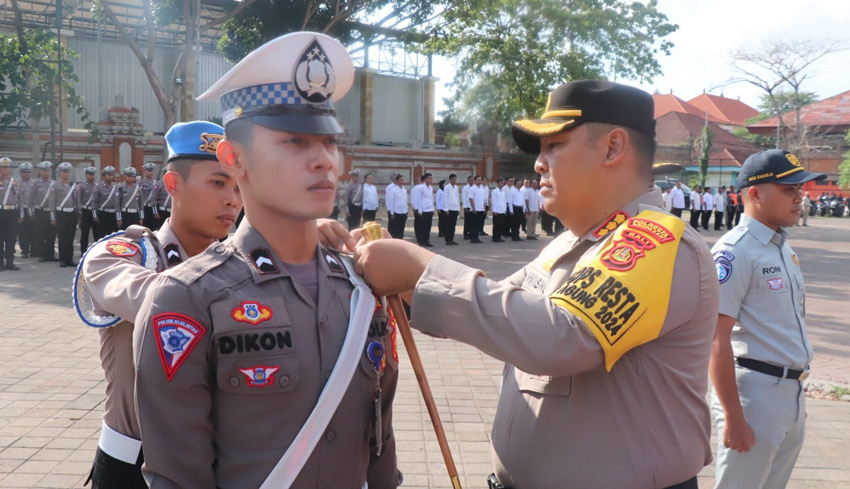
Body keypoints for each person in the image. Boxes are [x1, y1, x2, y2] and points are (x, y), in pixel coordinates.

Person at [355, 80, 718, 489]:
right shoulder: (573, 242)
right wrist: (397, 274)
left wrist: (419, 268)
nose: (538, 164)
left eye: (554, 146)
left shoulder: (656, 241)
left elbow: (559, 338)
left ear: (613, 148)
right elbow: (501, 309)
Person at [134, 32, 400, 489]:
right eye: (295, 141)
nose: (323, 161)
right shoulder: (185, 300)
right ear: (233, 157)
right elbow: (178, 476)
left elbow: (380, 448)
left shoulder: (362, 288)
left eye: (329, 142)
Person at [78, 120, 240, 489]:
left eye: (238, 185)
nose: (233, 199)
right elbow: (161, 302)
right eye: (217, 183)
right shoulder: (124, 256)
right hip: (134, 464)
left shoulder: (242, 266)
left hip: (223, 463)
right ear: (173, 184)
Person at [709, 149, 824, 489]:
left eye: (799, 189)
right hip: (755, 394)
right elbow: (716, 338)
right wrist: (733, 416)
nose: (799, 197)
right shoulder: (734, 251)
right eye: (788, 189)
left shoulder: (782, 249)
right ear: (755, 194)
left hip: (791, 392)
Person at [29, 161, 58, 262]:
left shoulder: (54, 183)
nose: (46, 172)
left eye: (48, 170)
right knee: (40, 234)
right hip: (39, 211)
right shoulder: (35, 183)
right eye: (44, 170)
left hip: (51, 212)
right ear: (40, 171)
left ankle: (50, 254)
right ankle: (42, 254)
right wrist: (30, 213)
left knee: (52, 234)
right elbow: (30, 199)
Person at [53, 162, 80, 267]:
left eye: (67, 171)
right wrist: (53, 216)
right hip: (60, 213)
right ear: (60, 173)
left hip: (71, 213)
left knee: (70, 238)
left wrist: (78, 213)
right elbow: (52, 202)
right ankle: (62, 259)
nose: (65, 174)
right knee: (62, 237)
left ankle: (70, 259)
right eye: (63, 172)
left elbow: (77, 201)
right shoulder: (55, 185)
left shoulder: (73, 186)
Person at [0, 157, 21, 271]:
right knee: (0, 238)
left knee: (11, 238)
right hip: (1, 212)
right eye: (3, 167)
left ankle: (10, 262)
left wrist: (20, 213)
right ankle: (0, 263)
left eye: (8, 167)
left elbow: (19, 198)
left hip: (12, 212)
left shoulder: (15, 181)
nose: (6, 169)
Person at [93, 166, 120, 240]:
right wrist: (95, 215)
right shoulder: (98, 187)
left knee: (113, 236)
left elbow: (119, 203)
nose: (110, 177)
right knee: (101, 236)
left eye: (112, 175)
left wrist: (119, 217)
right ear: (104, 176)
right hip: (103, 213)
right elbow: (94, 202)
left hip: (114, 214)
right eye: (108, 175)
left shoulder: (117, 187)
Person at [78, 167, 98, 252]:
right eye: (90, 174)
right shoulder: (81, 186)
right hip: (86, 211)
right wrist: (79, 213)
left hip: (96, 212)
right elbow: (79, 200)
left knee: (97, 233)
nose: (92, 176)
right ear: (86, 175)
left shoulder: (98, 186)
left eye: (93, 174)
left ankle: (96, 252)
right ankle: (83, 252)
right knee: (85, 233)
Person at [17, 162, 34, 259]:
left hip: (32, 209)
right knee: (22, 231)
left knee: (33, 230)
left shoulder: (35, 183)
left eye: (28, 172)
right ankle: (24, 250)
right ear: (20, 173)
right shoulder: (17, 183)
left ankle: (34, 249)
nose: (26, 174)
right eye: (24, 172)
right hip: (21, 209)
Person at [411, 172, 434, 247]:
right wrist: (419, 210)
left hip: (429, 209)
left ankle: (427, 240)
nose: (431, 180)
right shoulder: (420, 188)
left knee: (428, 226)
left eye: (431, 178)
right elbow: (418, 199)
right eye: (430, 178)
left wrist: (433, 209)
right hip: (423, 210)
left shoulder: (430, 188)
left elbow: (431, 198)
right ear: (426, 179)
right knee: (422, 227)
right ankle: (421, 241)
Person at [386, 174, 408, 239]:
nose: (402, 181)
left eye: (403, 180)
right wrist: (392, 213)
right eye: (401, 180)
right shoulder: (393, 190)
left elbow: (405, 201)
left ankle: (400, 239)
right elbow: (391, 202)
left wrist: (406, 210)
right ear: (397, 181)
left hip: (403, 211)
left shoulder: (404, 190)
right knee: (396, 228)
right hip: (396, 211)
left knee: (401, 228)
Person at [140, 162, 160, 231]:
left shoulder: (156, 182)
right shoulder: (140, 183)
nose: (150, 173)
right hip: (144, 207)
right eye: (148, 171)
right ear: (145, 171)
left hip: (153, 207)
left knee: (153, 228)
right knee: (143, 227)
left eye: (151, 171)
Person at [443, 173, 460, 245]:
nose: (454, 181)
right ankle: (448, 240)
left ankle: (451, 239)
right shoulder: (447, 187)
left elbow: (457, 198)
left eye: (455, 179)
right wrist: (446, 209)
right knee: (448, 225)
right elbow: (445, 198)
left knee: (453, 225)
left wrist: (458, 208)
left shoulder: (456, 187)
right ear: (450, 179)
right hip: (449, 209)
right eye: (453, 179)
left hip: (455, 208)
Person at [489, 178, 508, 242]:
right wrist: (494, 211)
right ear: (498, 183)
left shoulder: (503, 191)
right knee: (496, 225)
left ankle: (499, 237)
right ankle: (495, 237)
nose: (501, 184)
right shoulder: (495, 191)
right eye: (500, 183)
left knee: (501, 225)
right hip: (497, 210)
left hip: (502, 210)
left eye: (502, 183)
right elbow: (493, 201)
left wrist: (505, 209)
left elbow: (504, 201)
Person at [468, 175, 485, 243]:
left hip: (481, 209)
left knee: (478, 225)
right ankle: (473, 238)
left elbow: (483, 199)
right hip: (475, 209)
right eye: (478, 180)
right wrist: (473, 208)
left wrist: (484, 208)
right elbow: (471, 199)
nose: (479, 181)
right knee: (473, 225)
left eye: (480, 180)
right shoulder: (472, 189)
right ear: (475, 181)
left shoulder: (481, 189)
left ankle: (477, 237)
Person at [462, 175, 474, 239]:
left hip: (473, 206)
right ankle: (466, 234)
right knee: (467, 221)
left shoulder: (474, 188)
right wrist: (465, 207)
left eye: (473, 180)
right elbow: (464, 198)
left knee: (472, 221)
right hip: (468, 206)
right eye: (470, 180)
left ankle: (471, 233)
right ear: (468, 180)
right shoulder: (465, 188)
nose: (472, 181)